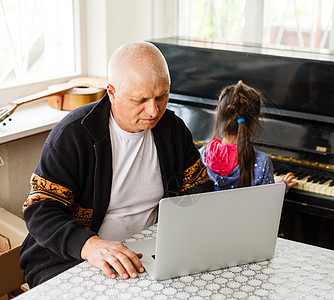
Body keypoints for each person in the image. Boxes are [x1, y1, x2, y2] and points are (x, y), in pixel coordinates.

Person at [19, 41, 214, 288]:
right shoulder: (74, 135)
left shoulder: (171, 129)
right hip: (72, 257)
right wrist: (89, 245)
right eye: (140, 99)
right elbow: (40, 209)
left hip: (150, 252)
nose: (153, 110)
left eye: (161, 96)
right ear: (111, 92)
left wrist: (177, 231)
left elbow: (199, 186)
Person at [200, 80, 297, 190]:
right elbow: (267, 202)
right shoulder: (262, 162)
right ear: (253, 123)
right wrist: (280, 187)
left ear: (219, 118)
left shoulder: (202, 154)